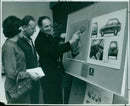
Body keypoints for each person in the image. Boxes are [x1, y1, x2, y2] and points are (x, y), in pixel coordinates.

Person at [35, 16, 82, 104]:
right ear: (40, 27)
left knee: (57, 98)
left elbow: (55, 47)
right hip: (48, 77)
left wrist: (63, 43)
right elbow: (54, 51)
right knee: (51, 99)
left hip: (55, 74)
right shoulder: (39, 40)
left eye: (50, 26)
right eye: (46, 27)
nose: (49, 28)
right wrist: (71, 41)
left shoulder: (48, 36)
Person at [2, 16, 31, 104]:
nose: (23, 30)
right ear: (16, 30)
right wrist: (30, 74)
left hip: (21, 87)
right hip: (15, 89)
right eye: (22, 28)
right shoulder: (9, 47)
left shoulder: (14, 44)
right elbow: (11, 73)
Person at [17, 15, 40, 104]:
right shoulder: (18, 42)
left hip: (35, 77)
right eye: (32, 28)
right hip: (26, 80)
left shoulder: (30, 40)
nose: (34, 30)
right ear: (24, 27)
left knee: (35, 100)